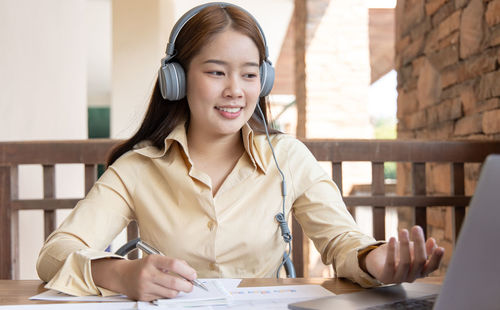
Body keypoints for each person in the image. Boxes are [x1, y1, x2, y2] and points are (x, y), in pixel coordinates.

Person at [36, 2, 444, 302]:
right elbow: (56, 254)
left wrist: (377, 262)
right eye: (216, 72)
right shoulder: (137, 167)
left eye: (249, 75)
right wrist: (120, 275)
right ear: (176, 80)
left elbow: (341, 240)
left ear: (262, 82)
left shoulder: (288, 159)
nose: (235, 90)